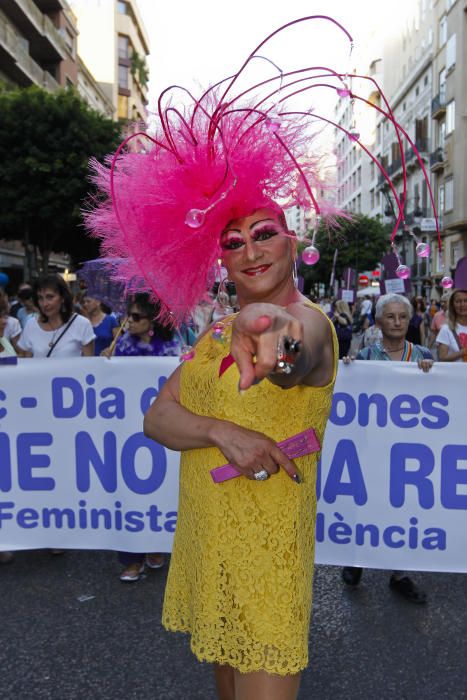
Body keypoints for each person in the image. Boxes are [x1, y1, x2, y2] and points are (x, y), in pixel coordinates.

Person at [86, 15, 441, 698]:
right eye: (231, 242)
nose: (249, 251)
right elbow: (158, 419)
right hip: (208, 538)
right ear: (214, 258)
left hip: (267, 553)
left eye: (263, 233)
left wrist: (272, 333)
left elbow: (293, 356)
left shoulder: (310, 325)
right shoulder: (217, 333)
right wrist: (222, 429)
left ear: (289, 237)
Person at [342, 293, 433, 604]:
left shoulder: (422, 353)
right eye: (390, 317)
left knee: (404, 507)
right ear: (378, 322)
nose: (397, 322)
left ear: (410, 320)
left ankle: (400, 573)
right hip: (372, 446)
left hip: (410, 449)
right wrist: (348, 370)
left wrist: (432, 372)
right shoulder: (365, 356)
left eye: (402, 316)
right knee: (366, 502)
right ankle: (357, 559)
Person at [101, 293, 182, 581]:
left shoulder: (173, 346)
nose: (128, 322)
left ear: (152, 322)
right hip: (127, 429)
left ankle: (156, 545)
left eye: (136, 317)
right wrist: (106, 363)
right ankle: (130, 559)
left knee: (161, 487)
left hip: (162, 428)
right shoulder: (121, 345)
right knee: (128, 491)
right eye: (127, 315)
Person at [17, 274, 95, 358]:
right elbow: (27, 363)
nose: (45, 304)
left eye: (50, 297)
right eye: (40, 298)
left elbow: (88, 364)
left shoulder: (82, 324)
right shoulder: (31, 325)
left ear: (62, 298)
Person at [436, 288, 467, 362]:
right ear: (452, 305)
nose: (462, 304)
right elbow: (442, 358)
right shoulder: (446, 329)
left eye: (466, 301)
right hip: (456, 373)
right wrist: (464, 352)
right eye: (458, 301)